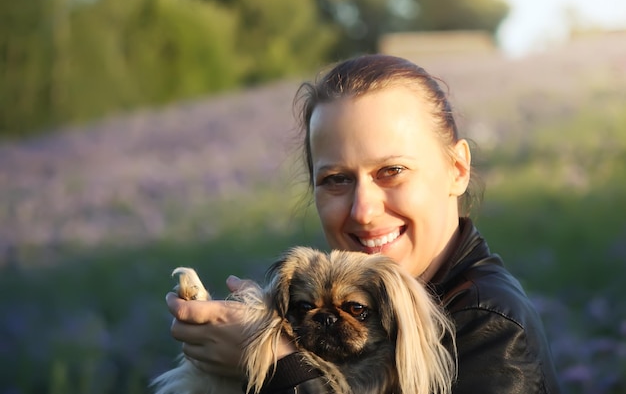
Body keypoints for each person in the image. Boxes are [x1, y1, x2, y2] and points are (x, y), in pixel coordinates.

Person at [166, 55, 561, 393]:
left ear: (457, 169)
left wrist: (276, 364)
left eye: (392, 170)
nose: (363, 210)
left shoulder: (487, 328)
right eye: (337, 179)